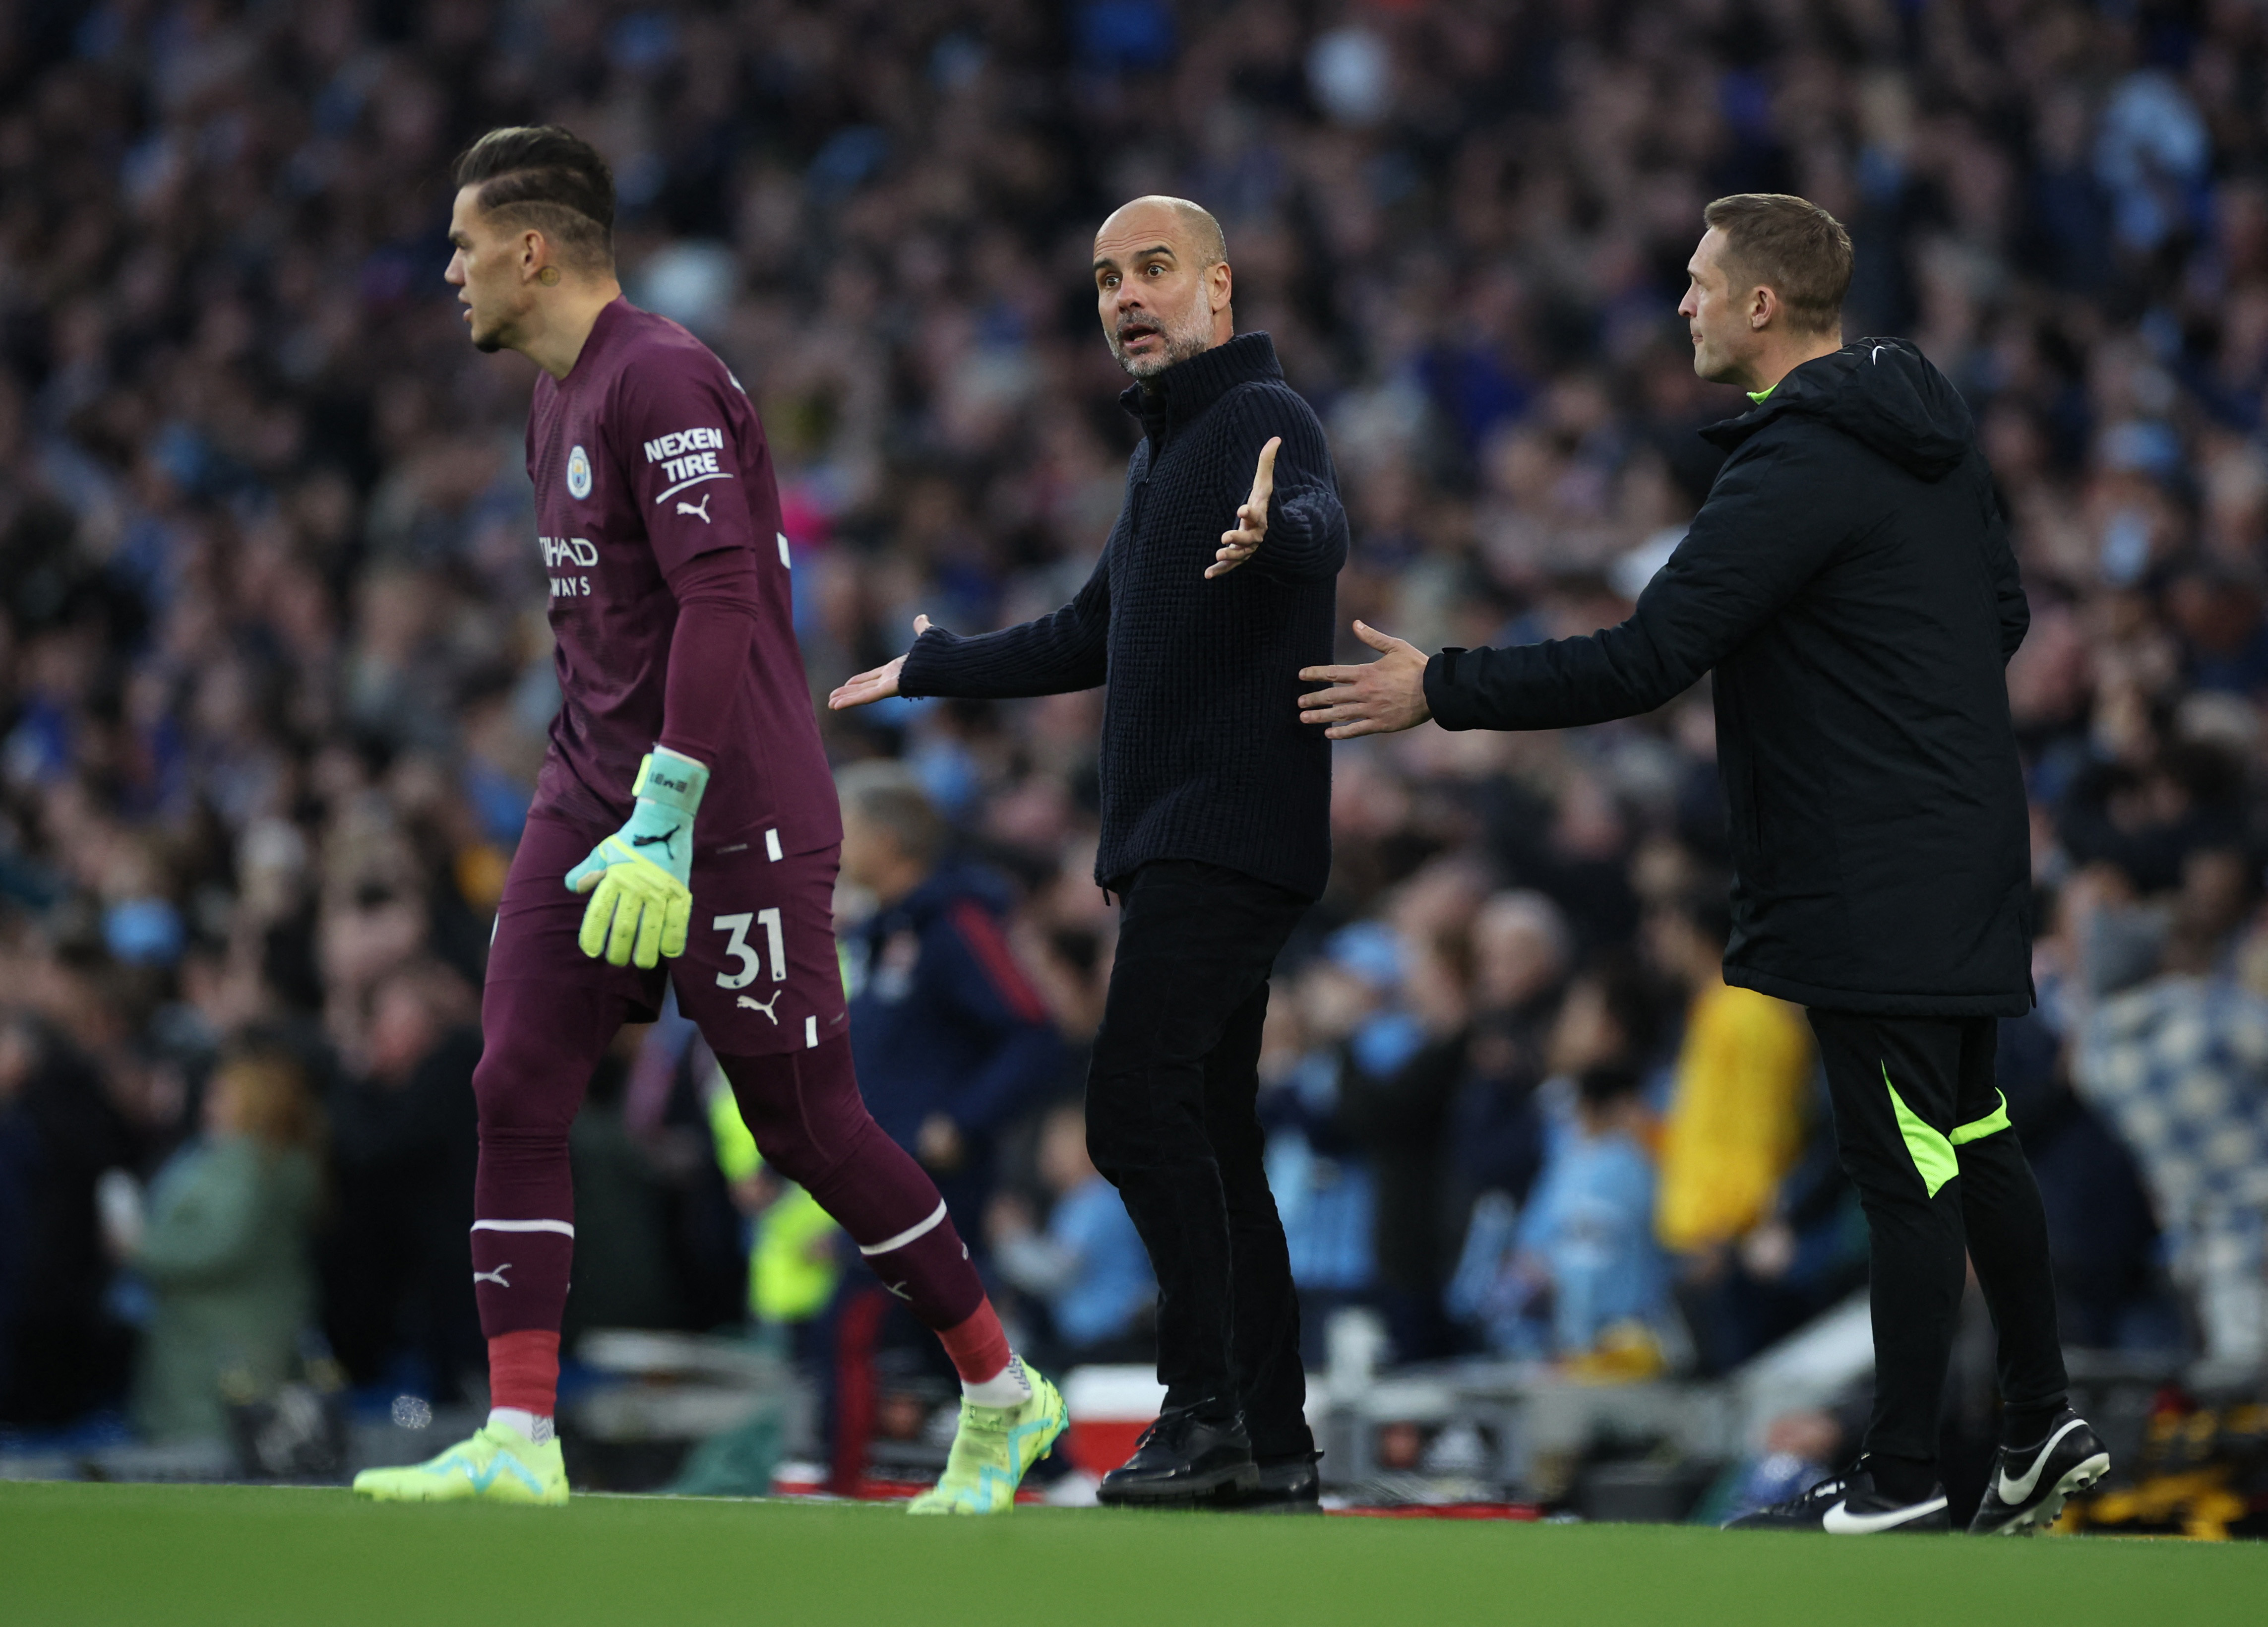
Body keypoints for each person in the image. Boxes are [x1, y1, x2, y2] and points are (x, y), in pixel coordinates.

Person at [1297, 193, 2107, 1536]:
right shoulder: (1927, 442)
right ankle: (2035, 1421)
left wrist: (1438, 687)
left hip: (1869, 861)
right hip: (1962, 844)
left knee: (1899, 1155)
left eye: (1695, 281)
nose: (1676, 304)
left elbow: (1643, 657)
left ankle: (1901, 1478)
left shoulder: (1793, 465)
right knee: (1971, 1130)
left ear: (1759, 305)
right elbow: (2001, 614)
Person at [353, 127, 1061, 1514]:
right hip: (587, 794)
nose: (448, 272)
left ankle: (999, 1389)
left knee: (801, 1123)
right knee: (513, 1080)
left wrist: (670, 807)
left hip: (729, 809)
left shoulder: (659, 374)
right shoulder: (552, 399)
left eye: (462, 244)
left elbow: (723, 600)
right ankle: (518, 1436)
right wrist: (610, 800)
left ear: (532, 248)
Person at [831, 194, 1348, 1507]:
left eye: (1155, 270)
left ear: (1219, 292)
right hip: (1196, 839)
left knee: (1129, 1109)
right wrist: (935, 665)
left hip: (1220, 832)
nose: (1125, 295)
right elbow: (1084, 634)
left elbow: (1320, 524)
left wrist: (1275, 537)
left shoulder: (1259, 421)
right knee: (1211, 1133)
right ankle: (1270, 1439)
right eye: (1108, 276)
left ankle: (1206, 1410)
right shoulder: (1164, 456)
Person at [836, 759, 1068, 1240]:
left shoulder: (958, 924)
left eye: (845, 828)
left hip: (937, 1185)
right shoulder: (873, 933)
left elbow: (1033, 1031)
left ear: (886, 839)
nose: (833, 843)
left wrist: (961, 1124)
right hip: (874, 1173)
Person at [130, 1052, 322, 1442]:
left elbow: (216, 1248)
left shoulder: (246, 1166)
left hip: (218, 1340)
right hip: (243, 1329)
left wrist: (137, 1247)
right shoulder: (275, 1162)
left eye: (222, 1096)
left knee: (215, 1441)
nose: (209, 1105)